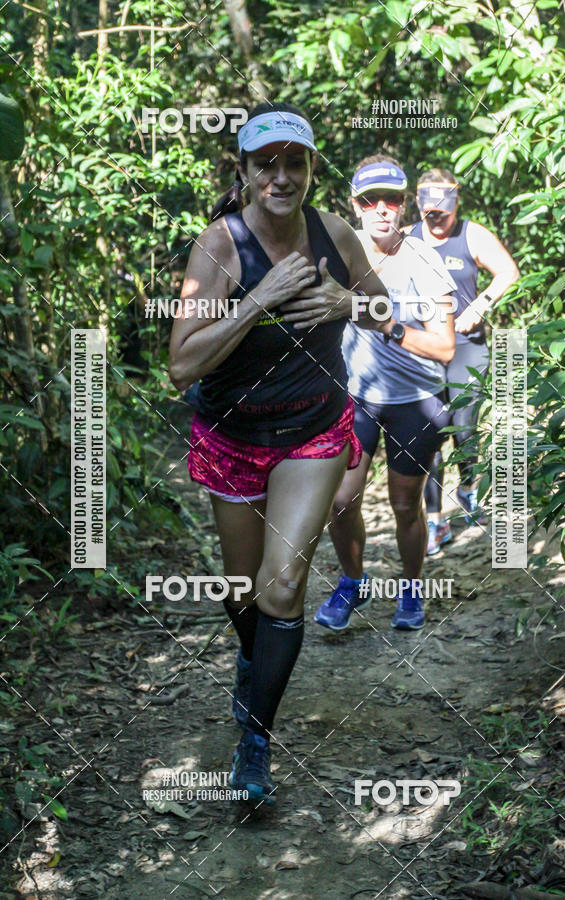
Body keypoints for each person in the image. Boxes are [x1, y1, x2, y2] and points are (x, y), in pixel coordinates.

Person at [169, 103, 394, 804]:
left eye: (295, 162)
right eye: (266, 164)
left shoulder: (335, 234)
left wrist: (345, 305)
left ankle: (255, 743)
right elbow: (181, 366)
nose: (281, 176)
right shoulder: (221, 246)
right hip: (232, 435)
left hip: (313, 431)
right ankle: (252, 662)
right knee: (243, 591)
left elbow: (387, 313)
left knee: (283, 584)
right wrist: (255, 301)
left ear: (311, 169)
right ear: (243, 171)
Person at [314, 155, 457, 634]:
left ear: (404, 204)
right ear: (354, 205)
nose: (380, 209)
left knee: (404, 505)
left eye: (391, 199)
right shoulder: (339, 252)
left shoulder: (424, 259)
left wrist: (389, 324)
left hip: (417, 400)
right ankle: (353, 582)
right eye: (369, 200)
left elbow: (445, 347)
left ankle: (411, 589)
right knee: (340, 501)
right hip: (356, 398)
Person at [411, 169, 520, 555]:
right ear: (419, 205)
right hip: (423, 349)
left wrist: (480, 304)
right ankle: (436, 521)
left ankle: (469, 487)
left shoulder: (471, 234)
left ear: (456, 204)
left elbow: (508, 271)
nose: (437, 218)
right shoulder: (406, 239)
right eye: (430, 211)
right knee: (429, 432)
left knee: (464, 426)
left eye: (444, 211)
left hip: (467, 346)